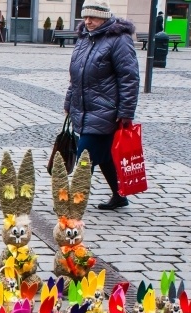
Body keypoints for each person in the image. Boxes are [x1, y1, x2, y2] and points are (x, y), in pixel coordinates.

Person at [64, 0, 139, 210]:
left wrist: (125, 111)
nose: (88, 21)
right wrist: (69, 102)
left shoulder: (119, 40)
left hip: (107, 111)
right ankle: (119, 195)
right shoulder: (85, 38)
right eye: (85, 17)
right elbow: (76, 75)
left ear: (105, 17)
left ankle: (73, 201)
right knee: (104, 156)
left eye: (93, 17)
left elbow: (129, 78)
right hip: (84, 108)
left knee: (85, 155)